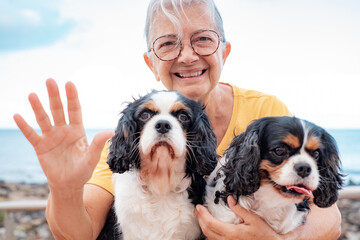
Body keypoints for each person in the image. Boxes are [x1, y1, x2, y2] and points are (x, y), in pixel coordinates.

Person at [14, 0, 341, 239]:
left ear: (224, 51)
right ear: (150, 63)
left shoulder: (268, 112)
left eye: (202, 39)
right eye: (168, 44)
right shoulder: (134, 134)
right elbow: (77, 233)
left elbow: (329, 218)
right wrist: (64, 188)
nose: (187, 55)